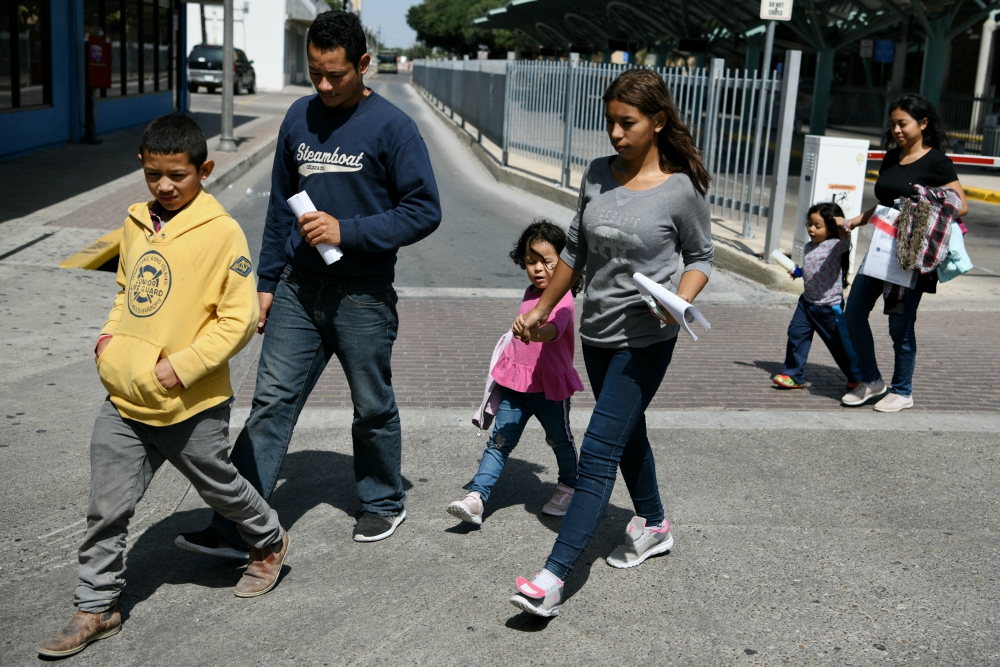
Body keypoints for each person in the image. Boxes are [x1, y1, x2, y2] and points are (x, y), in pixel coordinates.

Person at [174, 11, 441, 557]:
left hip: (363, 294)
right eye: (315, 72)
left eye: (335, 75)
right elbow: (278, 205)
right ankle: (237, 524)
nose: (323, 85)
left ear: (363, 65)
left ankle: (383, 500)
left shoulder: (393, 127)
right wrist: (267, 279)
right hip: (298, 287)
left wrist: (351, 230)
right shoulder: (298, 118)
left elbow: (424, 210)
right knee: (270, 402)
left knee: (371, 405)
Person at [38, 115, 288, 658]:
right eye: (154, 175)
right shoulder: (135, 220)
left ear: (205, 169)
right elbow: (128, 288)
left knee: (219, 485)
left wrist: (184, 365)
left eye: (178, 175)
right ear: (142, 167)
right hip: (125, 394)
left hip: (189, 401)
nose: (165, 186)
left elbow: (239, 318)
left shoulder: (221, 231)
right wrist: (109, 338)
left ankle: (267, 540)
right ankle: (96, 605)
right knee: (106, 506)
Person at [507, 69, 714, 617]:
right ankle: (655, 523)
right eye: (611, 123)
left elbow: (701, 258)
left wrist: (679, 302)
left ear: (657, 122)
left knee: (598, 450)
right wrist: (543, 308)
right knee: (626, 431)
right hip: (596, 332)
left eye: (628, 124)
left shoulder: (680, 189)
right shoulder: (597, 174)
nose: (616, 134)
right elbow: (575, 249)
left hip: (646, 337)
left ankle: (552, 578)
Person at [447, 220, 585, 526]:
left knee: (560, 440)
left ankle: (569, 486)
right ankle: (476, 498)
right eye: (530, 262)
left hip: (550, 390)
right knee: (499, 442)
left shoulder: (563, 298)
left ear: (563, 264)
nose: (538, 269)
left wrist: (534, 333)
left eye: (547, 262)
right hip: (516, 386)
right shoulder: (529, 292)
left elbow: (553, 330)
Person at [841, 94, 968, 412]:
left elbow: (960, 205)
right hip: (881, 250)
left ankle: (903, 390)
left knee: (899, 325)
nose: (896, 129)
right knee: (853, 313)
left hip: (912, 257)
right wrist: (859, 219)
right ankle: (871, 381)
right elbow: (888, 202)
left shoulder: (936, 161)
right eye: (894, 123)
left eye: (903, 123)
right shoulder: (891, 157)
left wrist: (923, 197)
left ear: (923, 124)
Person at [772, 202, 861, 390]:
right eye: (809, 225)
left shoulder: (836, 245)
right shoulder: (809, 246)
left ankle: (858, 376)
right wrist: (799, 272)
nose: (811, 229)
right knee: (796, 333)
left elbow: (845, 237)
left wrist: (843, 224)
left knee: (839, 345)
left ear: (830, 228)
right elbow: (814, 269)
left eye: (817, 226)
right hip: (806, 304)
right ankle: (793, 375)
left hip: (828, 308)